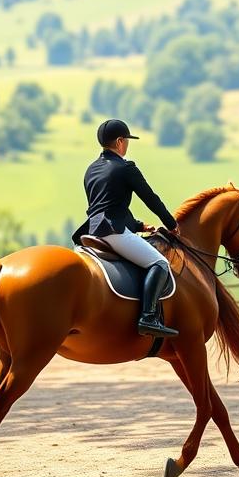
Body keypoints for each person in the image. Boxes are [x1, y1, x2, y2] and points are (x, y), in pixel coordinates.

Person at [72, 119, 180, 338]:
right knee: (159, 263)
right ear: (120, 142)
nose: (127, 146)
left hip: (91, 230)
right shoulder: (126, 168)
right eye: (127, 141)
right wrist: (172, 224)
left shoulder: (91, 170)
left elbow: (106, 205)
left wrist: (139, 226)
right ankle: (148, 317)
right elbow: (151, 199)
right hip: (112, 231)